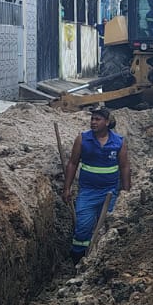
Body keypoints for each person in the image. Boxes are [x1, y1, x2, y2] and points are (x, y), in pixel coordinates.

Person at [62, 106, 130, 261]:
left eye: (97, 119)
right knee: (82, 229)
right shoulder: (83, 139)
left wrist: (126, 193)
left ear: (107, 122)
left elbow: (125, 166)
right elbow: (72, 163)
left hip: (110, 193)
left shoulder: (118, 142)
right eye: (92, 119)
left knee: (107, 228)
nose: (93, 122)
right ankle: (78, 259)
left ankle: (102, 260)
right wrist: (66, 188)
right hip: (87, 192)